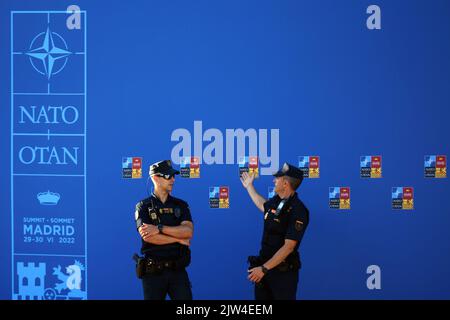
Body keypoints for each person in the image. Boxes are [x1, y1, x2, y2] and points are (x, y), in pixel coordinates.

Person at [240, 162, 309, 300]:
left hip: (281, 275)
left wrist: (264, 268)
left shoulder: (298, 210)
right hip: (263, 272)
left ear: (285, 183)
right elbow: (263, 205)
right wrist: (249, 187)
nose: (274, 180)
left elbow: (289, 247)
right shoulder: (276, 201)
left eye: (277, 178)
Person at [134, 160, 194, 300]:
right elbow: (149, 237)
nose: (172, 179)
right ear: (155, 178)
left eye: (173, 176)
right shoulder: (143, 206)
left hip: (178, 271)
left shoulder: (181, 205)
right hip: (153, 273)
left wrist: (159, 228)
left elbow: (188, 232)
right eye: (168, 176)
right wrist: (178, 238)